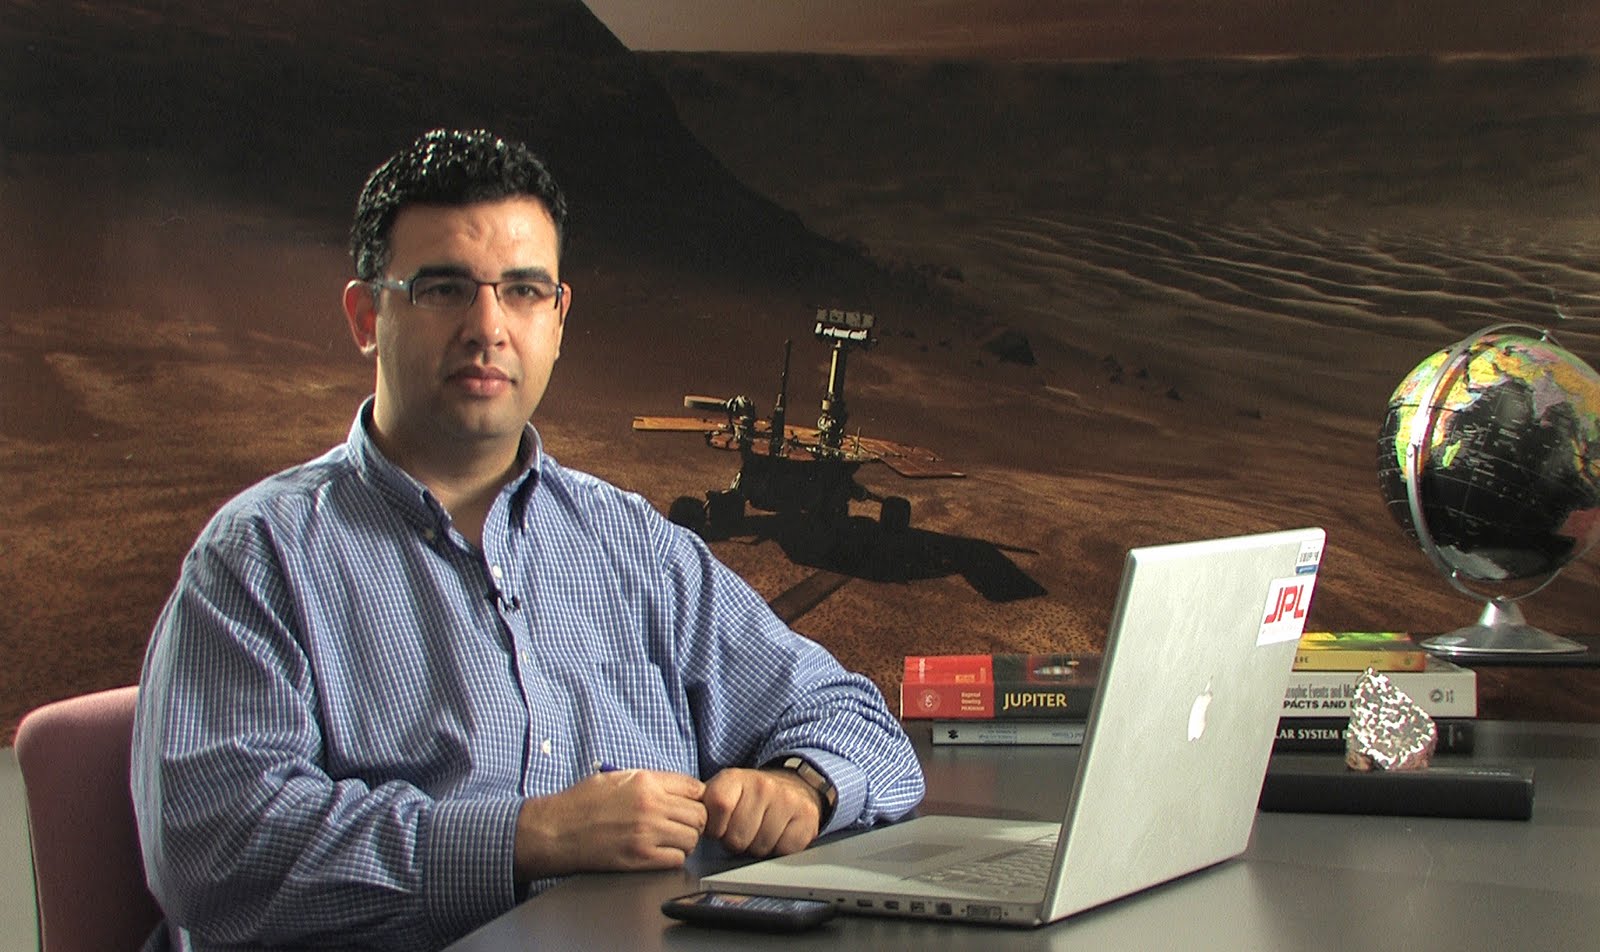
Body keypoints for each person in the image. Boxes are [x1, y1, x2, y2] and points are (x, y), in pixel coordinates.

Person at [131, 128, 925, 951]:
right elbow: (212, 847)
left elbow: (848, 715)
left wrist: (801, 785)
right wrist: (530, 837)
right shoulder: (259, 556)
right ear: (367, 316)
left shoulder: (632, 543)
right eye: (443, 288)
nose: (488, 327)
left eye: (522, 290)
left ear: (558, 318)